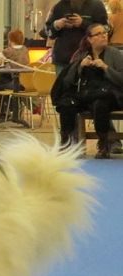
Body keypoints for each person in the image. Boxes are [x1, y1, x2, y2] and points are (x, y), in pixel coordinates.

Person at [54, 23, 123, 158]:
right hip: (85, 95)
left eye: (105, 33)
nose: (104, 36)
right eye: (99, 34)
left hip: (110, 95)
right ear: (90, 39)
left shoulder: (115, 54)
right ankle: (66, 143)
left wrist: (105, 67)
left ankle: (103, 144)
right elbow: (67, 81)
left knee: (100, 102)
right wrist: (80, 67)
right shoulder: (81, 55)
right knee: (66, 103)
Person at [45, 0, 108, 74]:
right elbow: (49, 33)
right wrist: (56, 25)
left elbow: (106, 29)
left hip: (89, 60)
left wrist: (83, 23)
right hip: (63, 60)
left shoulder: (96, 5)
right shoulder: (59, 6)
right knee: (63, 85)